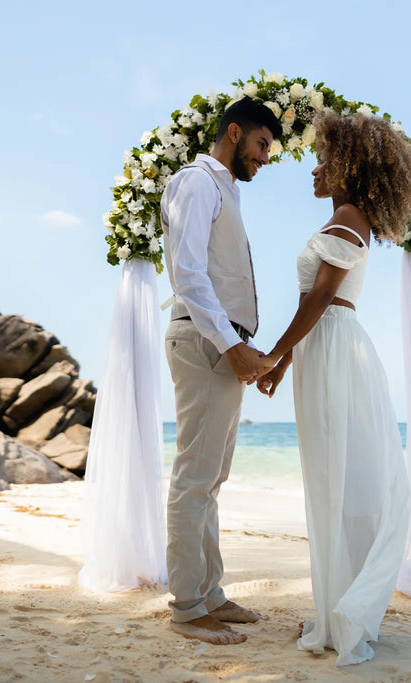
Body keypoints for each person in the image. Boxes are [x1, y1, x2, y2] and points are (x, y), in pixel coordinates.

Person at [254, 110, 411, 665]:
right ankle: (334, 605)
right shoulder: (348, 218)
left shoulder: (349, 216)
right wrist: (283, 363)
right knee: (330, 480)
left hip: (334, 351)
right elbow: (313, 304)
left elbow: (321, 299)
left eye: (325, 160)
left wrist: (276, 354)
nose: (316, 169)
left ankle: (341, 610)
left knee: (336, 481)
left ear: (350, 166)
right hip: (324, 349)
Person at [160, 97, 282, 645]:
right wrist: (231, 345)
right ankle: (188, 608)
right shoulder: (198, 181)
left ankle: (210, 593)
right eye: (260, 146)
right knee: (194, 478)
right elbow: (187, 272)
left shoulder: (225, 189)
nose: (263, 159)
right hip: (206, 341)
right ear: (234, 134)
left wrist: (240, 344)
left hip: (223, 342)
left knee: (212, 479)